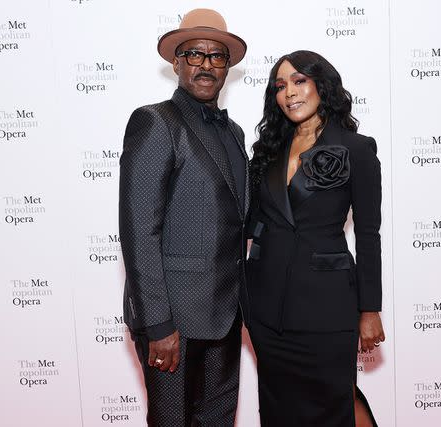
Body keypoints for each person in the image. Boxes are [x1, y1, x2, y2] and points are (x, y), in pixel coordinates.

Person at [118, 9, 250, 426]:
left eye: (217, 57)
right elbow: (139, 229)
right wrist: (158, 323)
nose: (206, 65)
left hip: (227, 315)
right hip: (174, 320)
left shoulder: (235, 133)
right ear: (176, 62)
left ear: (227, 67)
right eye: (194, 54)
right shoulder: (155, 122)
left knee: (217, 420)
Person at [247, 50, 385, 427]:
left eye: (298, 81)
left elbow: (369, 234)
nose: (288, 92)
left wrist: (369, 309)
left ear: (321, 85)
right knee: (279, 411)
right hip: (266, 309)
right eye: (279, 86)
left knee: (333, 406)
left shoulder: (357, 150)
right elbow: (252, 222)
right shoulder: (269, 151)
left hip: (327, 307)